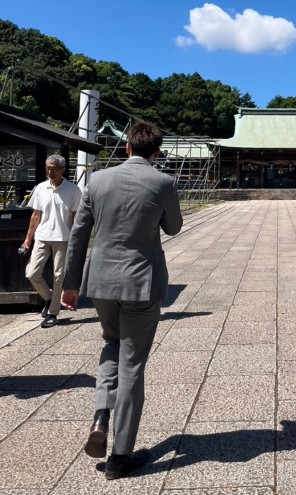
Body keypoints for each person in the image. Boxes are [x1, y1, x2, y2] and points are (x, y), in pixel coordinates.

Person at [61, 121, 183, 480]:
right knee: (132, 365)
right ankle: (119, 456)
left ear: (127, 147)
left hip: (100, 282)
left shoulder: (97, 182)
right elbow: (173, 227)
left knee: (110, 344)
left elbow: (79, 235)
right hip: (141, 283)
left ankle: (101, 416)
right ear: (156, 152)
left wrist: (70, 285)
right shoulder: (163, 182)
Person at [20, 154, 82, 328]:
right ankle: (48, 298)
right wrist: (27, 239)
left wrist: (78, 240)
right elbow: (35, 215)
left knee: (58, 276)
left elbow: (76, 217)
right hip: (42, 235)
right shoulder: (40, 188)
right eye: (47, 167)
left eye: (53, 168)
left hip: (63, 237)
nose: (49, 171)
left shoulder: (73, 190)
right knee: (32, 273)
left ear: (62, 170)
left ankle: (53, 312)